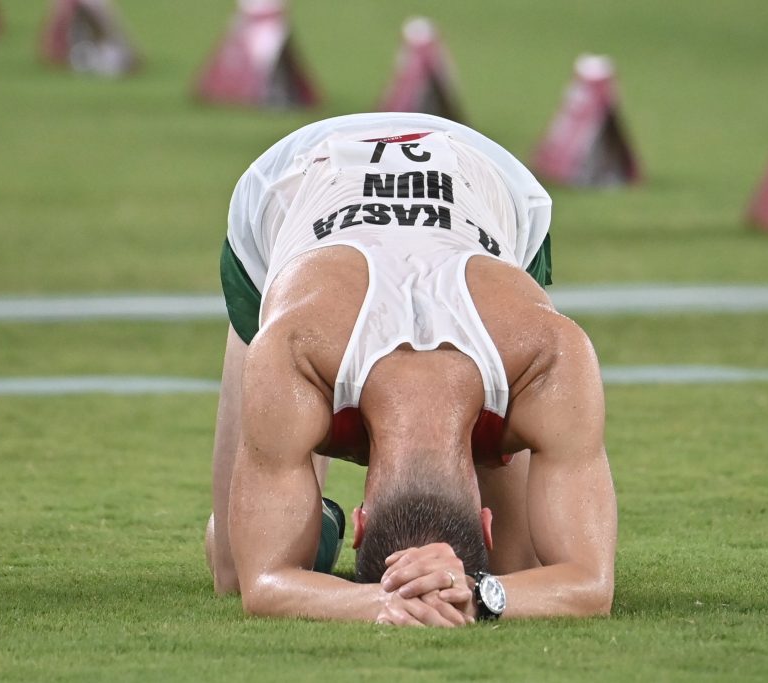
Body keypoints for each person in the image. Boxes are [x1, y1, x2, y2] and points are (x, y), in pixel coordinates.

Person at [204, 113, 617, 626]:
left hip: (483, 187)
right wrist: (474, 598)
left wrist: (433, 596)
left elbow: (588, 586)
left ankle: (303, 517)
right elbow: (258, 584)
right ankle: (312, 518)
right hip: (290, 181)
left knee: (521, 565)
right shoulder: (293, 346)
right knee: (233, 568)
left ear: (361, 524)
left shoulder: (543, 351)